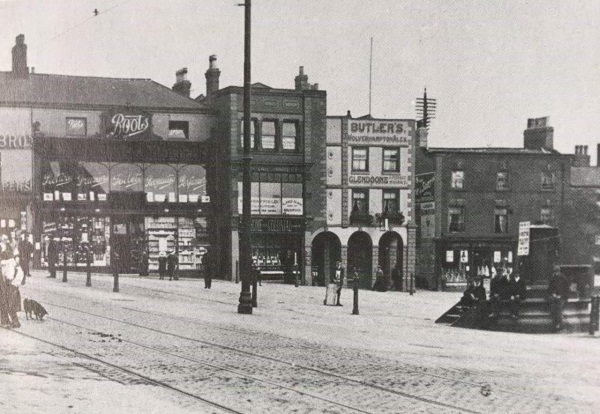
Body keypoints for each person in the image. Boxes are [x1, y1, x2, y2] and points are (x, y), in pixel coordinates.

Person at [0, 234, 20, 329]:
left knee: (4, 301)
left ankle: (6, 321)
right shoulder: (12, 261)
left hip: (6, 282)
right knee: (8, 301)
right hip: (11, 282)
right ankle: (14, 321)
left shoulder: (5, 263)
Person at [548, 265, 570, 331]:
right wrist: (553, 294)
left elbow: (567, 290)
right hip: (554, 297)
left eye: (557, 272)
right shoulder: (553, 278)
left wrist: (561, 296)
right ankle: (555, 324)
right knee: (552, 308)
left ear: (559, 272)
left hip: (562, 298)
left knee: (559, 309)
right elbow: (550, 288)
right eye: (555, 273)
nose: (556, 274)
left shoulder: (564, 278)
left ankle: (559, 324)